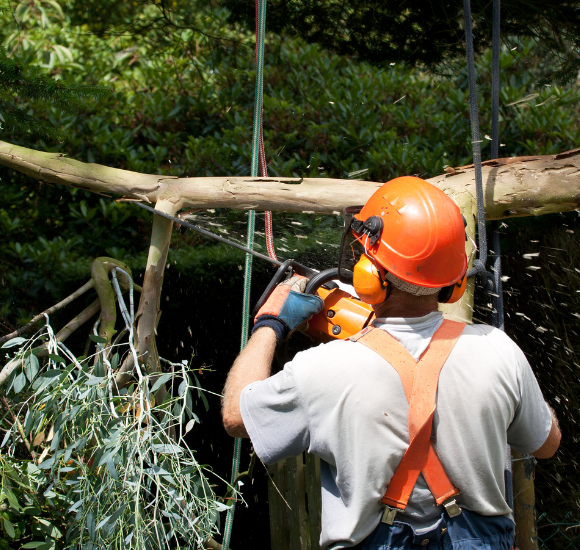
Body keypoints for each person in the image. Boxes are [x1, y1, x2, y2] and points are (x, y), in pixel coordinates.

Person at [222, 176, 561, 550]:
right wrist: (516, 392)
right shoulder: (499, 351)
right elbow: (546, 443)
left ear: (370, 274)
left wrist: (270, 323)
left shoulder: (321, 370)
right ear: (453, 280)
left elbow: (237, 416)